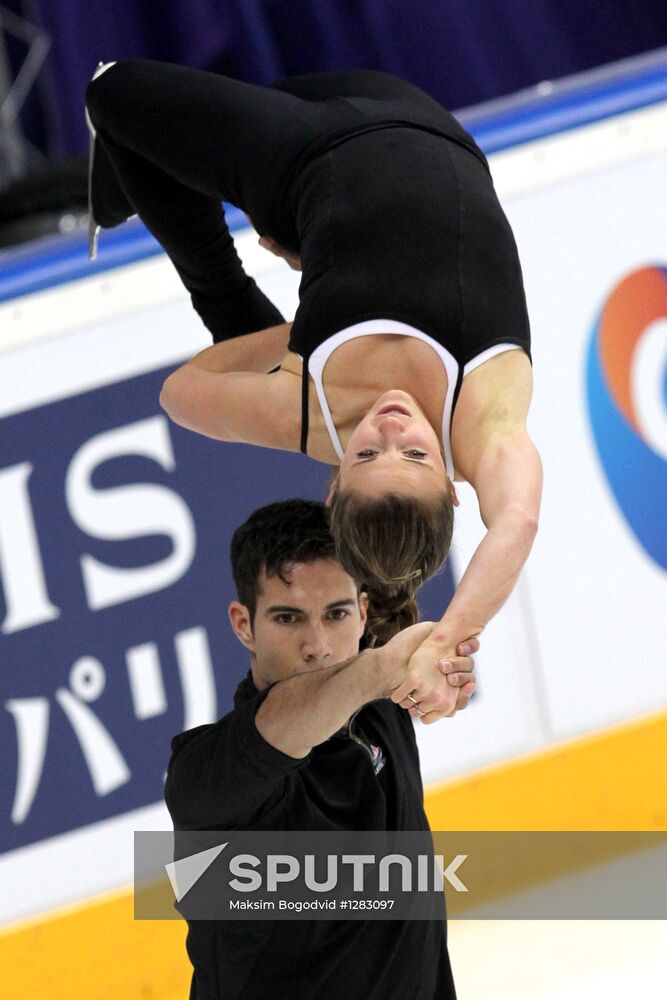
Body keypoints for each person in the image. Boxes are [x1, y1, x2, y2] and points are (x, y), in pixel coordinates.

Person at [85, 60, 541, 722]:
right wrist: (446, 639)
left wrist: (309, 325)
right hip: (417, 115)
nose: (388, 429)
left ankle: (135, 161)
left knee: (112, 94)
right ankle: (137, 163)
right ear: (450, 483)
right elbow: (518, 522)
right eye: (413, 455)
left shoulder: (309, 414)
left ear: (331, 482)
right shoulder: (486, 422)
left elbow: (182, 392)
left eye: (363, 456)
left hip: (307, 155)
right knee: (156, 139)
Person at [164, 499, 478, 1000]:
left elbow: (403, 507)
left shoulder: (381, 707)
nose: (318, 645)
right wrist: (383, 668)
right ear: (243, 624)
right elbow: (285, 719)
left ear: (364, 612)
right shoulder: (206, 776)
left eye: (336, 614)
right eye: (288, 619)